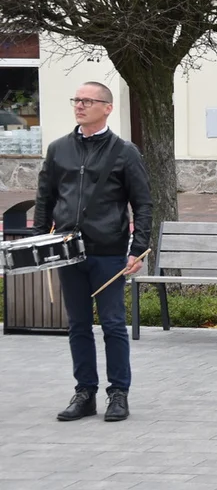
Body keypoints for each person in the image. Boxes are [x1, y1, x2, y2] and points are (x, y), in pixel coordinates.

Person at [35, 81, 152, 422]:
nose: (80, 105)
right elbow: (45, 200)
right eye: (77, 100)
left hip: (109, 251)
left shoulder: (125, 152)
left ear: (108, 108)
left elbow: (143, 203)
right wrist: (41, 241)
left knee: (114, 324)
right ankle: (84, 392)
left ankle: (118, 394)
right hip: (67, 250)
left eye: (88, 100)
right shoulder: (58, 149)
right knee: (78, 325)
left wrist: (138, 249)